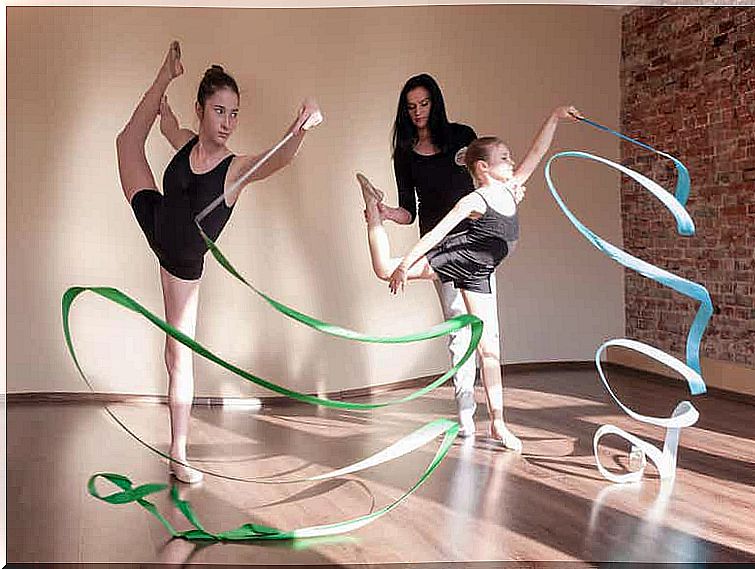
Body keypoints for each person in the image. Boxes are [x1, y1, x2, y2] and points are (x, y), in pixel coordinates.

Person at [116, 41, 322, 483]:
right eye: (219, 111)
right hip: (156, 221)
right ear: (201, 109)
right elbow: (163, 124)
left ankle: (180, 452)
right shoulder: (185, 142)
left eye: (233, 114)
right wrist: (163, 104)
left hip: (183, 263)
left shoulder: (235, 169)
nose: (227, 123)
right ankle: (164, 73)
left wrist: (300, 127)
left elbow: (280, 157)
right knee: (126, 141)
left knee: (177, 356)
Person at [357, 104, 582, 451]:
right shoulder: (474, 200)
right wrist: (406, 265)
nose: (512, 162)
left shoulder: (511, 189)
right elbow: (436, 234)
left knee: (489, 346)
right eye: (504, 158)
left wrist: (553, 116)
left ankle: (498, 423)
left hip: (480, 273)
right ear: (484, 168)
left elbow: (539, 153)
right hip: (455, 257)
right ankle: (373, 212)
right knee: (385, 268)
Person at [370, 74, 483, 437]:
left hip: (476, 241)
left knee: (484, 328)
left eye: (423, 104)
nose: (418, 112)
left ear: (435, 102)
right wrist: (386, 213)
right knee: (458, 324)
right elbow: (409, 211)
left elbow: (485, 178)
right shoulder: (404, 153)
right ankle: (465, 405)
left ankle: (491, 408)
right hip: (439, 247)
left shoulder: (463, 136)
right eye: (411, 106)